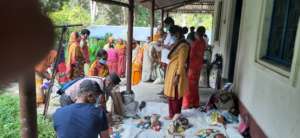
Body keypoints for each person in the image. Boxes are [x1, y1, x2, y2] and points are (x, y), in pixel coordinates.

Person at [164, 25, 189, 119]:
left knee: (175, 95)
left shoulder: (183, 46)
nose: (172, 37)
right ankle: (172, 114)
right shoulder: (179, 43)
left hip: (177, 72)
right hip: (172, 70)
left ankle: (175, 115)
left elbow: (182, 63)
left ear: (177, 34)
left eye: (172, 34)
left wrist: (177, 76)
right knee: (172, 94)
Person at [182, 26, 207, 109]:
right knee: (195, 86)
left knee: (189, 86)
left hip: (193, 66)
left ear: (197, 33)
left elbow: (191, 56)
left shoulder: (196, 43)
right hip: (198, 66)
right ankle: (195, 103)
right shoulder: (203, 42)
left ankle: (188, 103)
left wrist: (186, 63)